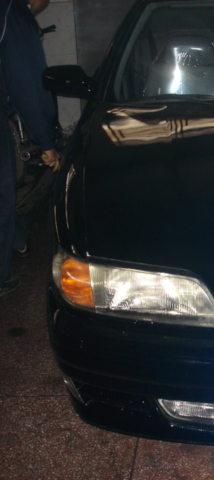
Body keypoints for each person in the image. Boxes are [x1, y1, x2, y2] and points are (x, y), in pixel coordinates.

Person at [0, 0, 60, 297]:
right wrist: (47, 142)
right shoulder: (13, 14)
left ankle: (17, 239)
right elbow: (28, 86)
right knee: (2, 197)